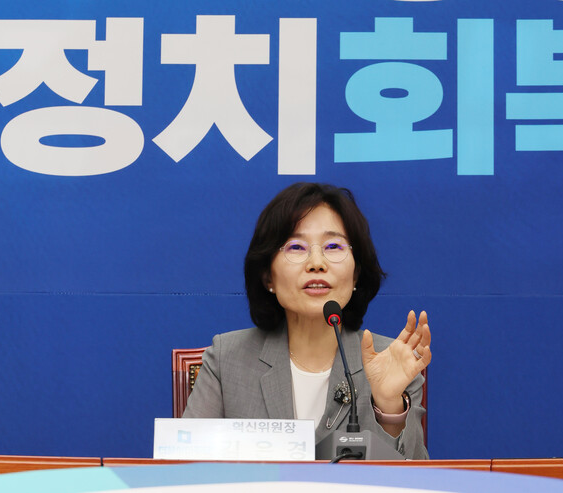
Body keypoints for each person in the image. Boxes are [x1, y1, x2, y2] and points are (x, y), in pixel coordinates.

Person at [183, 183, 432, 459]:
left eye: (333, 246)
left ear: (356, 274)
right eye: (296, 247)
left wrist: (389, 407)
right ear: (268, 277)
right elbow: (186, 466)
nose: (316, 263)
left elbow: (416, 477)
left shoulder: (391, 361)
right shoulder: (227, 359)